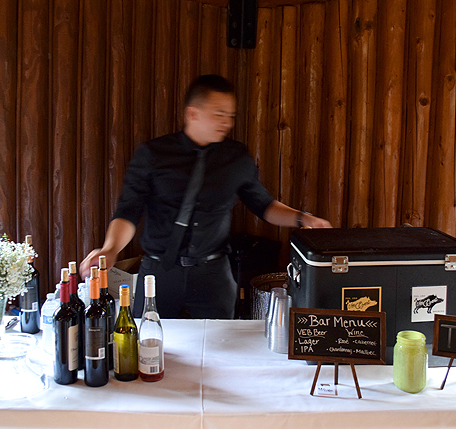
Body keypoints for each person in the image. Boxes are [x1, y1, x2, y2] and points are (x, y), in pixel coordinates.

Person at [80, 74, 331, 319]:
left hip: (213, 273)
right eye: (219, 114)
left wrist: (303, 218)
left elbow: (264, 205)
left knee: (220, 343)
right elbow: (128, 211)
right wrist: (110, 249)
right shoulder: (152, 154)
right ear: (193, 113)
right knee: (148, 340)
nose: (227, 123)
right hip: (159, 271)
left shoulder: (236, 157)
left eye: (230, 116)